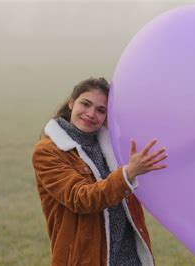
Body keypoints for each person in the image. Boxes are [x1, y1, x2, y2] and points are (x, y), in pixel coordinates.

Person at [32, 77, 167, 266]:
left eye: (100, 110)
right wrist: (127, 174)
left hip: (130, 258)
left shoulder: (114, 144)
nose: (91, 114)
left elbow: (161, 154)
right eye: (85, 104)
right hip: (86, 259)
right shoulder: (48, 151)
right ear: (71, 103)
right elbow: (80, 198)